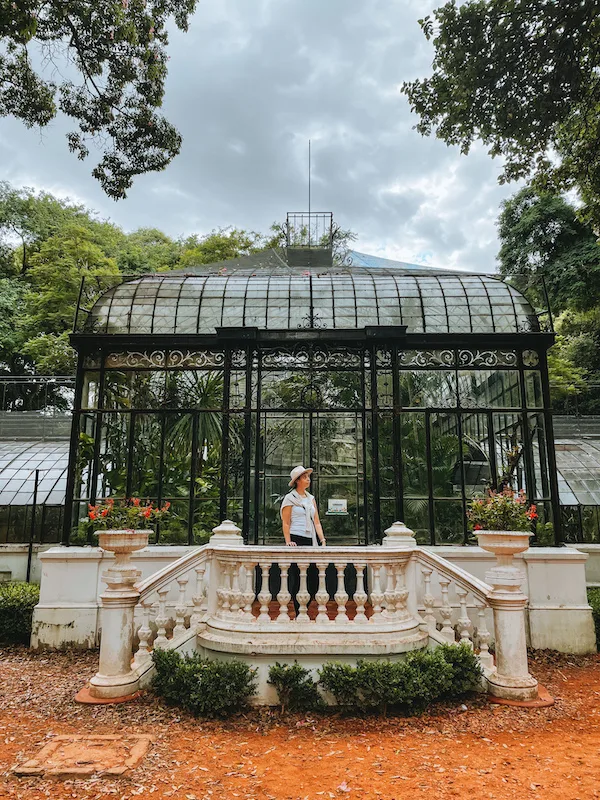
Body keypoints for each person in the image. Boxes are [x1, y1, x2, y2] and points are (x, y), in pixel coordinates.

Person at [280, 465, 326, 615]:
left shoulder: (311, 499)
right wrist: (288, 541)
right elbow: (286, 522)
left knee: (313, 576)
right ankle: (299, 611)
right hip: (296, 537)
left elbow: (317, 521)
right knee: (298, 576)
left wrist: (322, 539)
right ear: (297, 481)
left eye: (308, 477)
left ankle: (306, 605)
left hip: (311, 538)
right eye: (305, 477)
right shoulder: (290, 498)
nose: (308, 479)